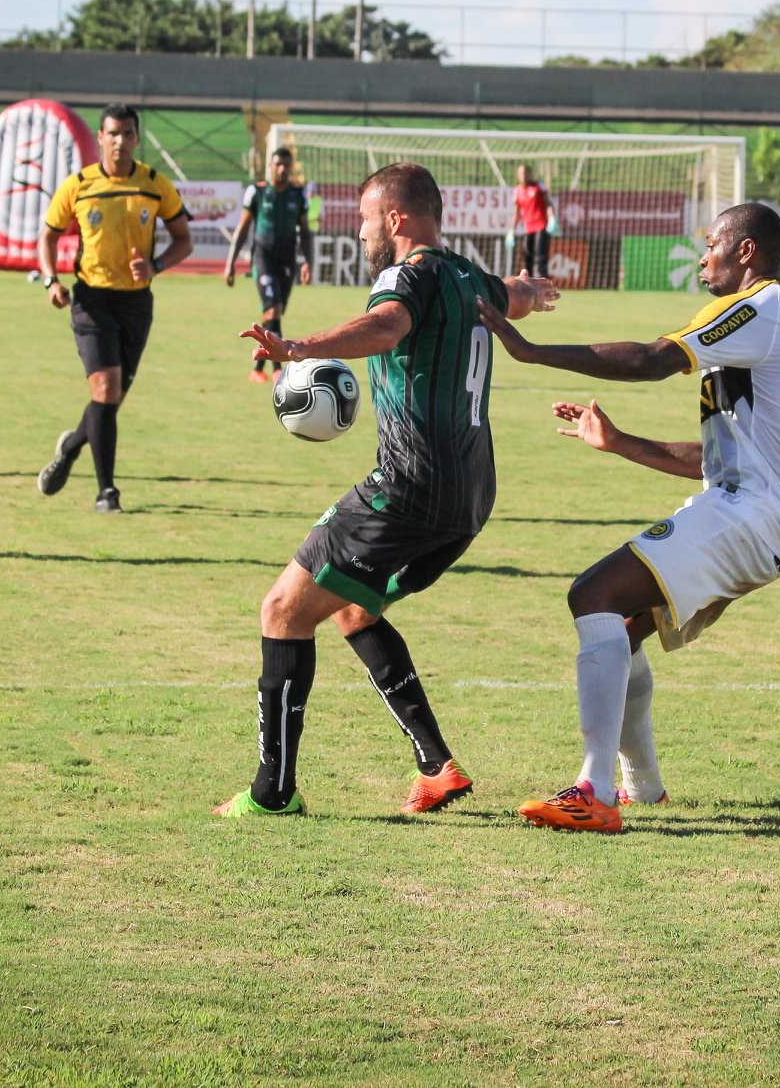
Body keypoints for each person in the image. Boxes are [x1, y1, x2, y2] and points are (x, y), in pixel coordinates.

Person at [214, 161, 560, 819]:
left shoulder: (407, 275)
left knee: (283, 610)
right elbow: (509, 295)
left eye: (367, 218)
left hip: (408, 487)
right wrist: (530, 291)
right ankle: (437, 766)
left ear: (397, 219)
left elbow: (388, 326)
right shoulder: (467, 276)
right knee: (351, 607)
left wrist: (298, 348)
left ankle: (272, 795)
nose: (362, 229)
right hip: (470, 497)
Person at [477, 203, 780, 833]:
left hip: (754, 517)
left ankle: (595, 793)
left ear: (746, 252)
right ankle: (643, 788)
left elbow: (649, 358)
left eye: (714, 243)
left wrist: (528, 351)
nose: (703, 256)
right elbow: (723, 459)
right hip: (759, 512)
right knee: (624, 627)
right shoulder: (773, 321)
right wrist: (621, 443)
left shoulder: (760, 307)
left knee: (594, 594)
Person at [34, 104, 193, 514]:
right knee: (104, 390)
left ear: (137, 138)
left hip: (136, 303)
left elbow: (183, 239)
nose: (120, 141)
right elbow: (47, 237)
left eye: (127, 133)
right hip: (91, 298)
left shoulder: (155, 185)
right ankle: (107, 492)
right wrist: (52, 280)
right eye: (112, 133)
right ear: (100, 137)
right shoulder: (78, 184)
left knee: (111, 399)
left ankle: (70, 447)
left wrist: (156, 265)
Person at [224, 147, 312, 383]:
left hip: (287, 261)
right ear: (270, 167)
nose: (282, 169)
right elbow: (242, 228)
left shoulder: (298, 194)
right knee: (272, 310)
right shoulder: (257, 192)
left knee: (273, 314)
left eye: (287, 164)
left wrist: (308, 262)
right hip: (263, 258)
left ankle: (257, 369)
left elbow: (305, 232)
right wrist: (230, 263)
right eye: (278, 164)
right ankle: (277, 370)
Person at [513, 164, 552, 280]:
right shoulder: (518, 191)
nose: (523, 176)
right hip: (528, 228)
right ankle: (527, 285)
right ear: (518, 176)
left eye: (525, 173)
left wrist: (552, 218)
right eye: (521, 173)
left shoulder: (538, 186)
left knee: (540, 258)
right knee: (527, 258)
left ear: (529, 174)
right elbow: (517, 213)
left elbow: (548, 203)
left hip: (541, 226)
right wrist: (511, 231)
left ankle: (542, 285)